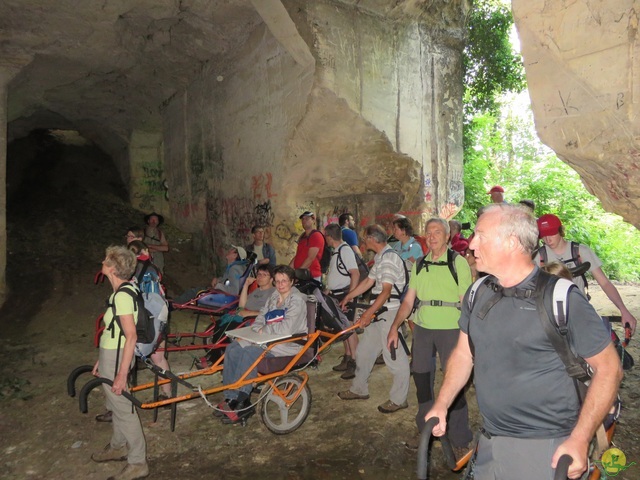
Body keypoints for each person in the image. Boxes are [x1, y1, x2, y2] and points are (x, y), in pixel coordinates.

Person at [425, 204, 622, 480]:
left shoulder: (560, 298)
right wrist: (442, 403)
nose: (471, 243)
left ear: (511, 242)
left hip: (547, 446)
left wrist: (580, 438)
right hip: (490, 440)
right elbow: (463, 354)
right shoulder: (477, 293)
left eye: (481, 235)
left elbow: (609, 369)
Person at [387, 218, 473, 453]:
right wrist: (395, 326)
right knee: (422, 382)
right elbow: (408, 300)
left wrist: (470, 334)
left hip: (451, 329)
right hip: (423, 329)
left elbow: (466, 301)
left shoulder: (458, 263)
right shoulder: (419, 264)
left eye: (437, 232)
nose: (432, 236)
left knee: (454, 383)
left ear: (447, 237)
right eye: (428, 232)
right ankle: (425, 432)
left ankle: (460, 438)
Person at [217, 265, 308, 423]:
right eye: (278, 281)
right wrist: (258, 327)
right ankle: (231, 397)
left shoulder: (297, 301)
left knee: (249, 353)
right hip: (267, 340)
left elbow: (287, 328)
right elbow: (262, 316)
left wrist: (264, 329)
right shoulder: (274, 296)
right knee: (233, 348)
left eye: (284, 281)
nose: (280, 285)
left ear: (292, 282)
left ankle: (242, 402)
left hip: (286, 345)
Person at [337, 225, 410, 414]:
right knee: (364, 352)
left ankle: (399, 399)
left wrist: (368, 313)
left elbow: (385, 292)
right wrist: (349, 296)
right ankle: (359, 389)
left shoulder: (389, 259)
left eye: (364, 238)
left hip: (389, 313)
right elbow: (369, 282)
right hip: (380, 312)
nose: (363, 241)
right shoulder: (380, 258)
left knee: (394, 357)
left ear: (372, 238)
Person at [90, 246, 149, 480]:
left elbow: (130, 336)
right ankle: (118, 445)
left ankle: (138, 462)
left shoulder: (123, 296)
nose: (102, 262)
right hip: (111, 354)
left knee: (124, 409)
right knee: (114, 404)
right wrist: (101, 359)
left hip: (118, 357)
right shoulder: (122, 291)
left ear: (113, 269)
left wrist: (121, 374)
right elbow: (113, 331)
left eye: (106, 260)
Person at [535, 213, 637, 336]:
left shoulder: (580, 251)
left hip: (580, 309)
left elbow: (604, 283)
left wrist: (623, 310)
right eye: (544, 235)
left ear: (560, 230)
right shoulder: (539, 257)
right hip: (551, 314)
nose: (548, 240)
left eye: (551, 233)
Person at [324, 223, 360, 380]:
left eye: (326, 236)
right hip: (337, 294)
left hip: (345, 294)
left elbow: (355, 274)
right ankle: (347, 356)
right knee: (343, 329)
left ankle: (356, 362)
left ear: (330, 237)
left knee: (350, 329)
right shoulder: (337, 251)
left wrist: (350, 296)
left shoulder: (345, 251)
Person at [172, 245, 249, 304]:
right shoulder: (235, 267)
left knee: (194, 291)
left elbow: (234, 291)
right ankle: (175, 302)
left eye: (231, 251)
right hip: (223, 294)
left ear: (235, 255)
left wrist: (218, 285)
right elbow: (227, 280)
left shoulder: (234, 269)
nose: (228, 251)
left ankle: (174, 304)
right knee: (198, 290)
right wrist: (218, 280)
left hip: (224, 298)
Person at [290, 211, 325, 283]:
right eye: (303, 219)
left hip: (311, 275)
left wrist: (298, 274)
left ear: (313, 220)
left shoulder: (316, 236)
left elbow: (310, 258)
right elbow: (298, 255)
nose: (304, 221)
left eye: (307, 218)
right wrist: (288, 271)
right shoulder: (303, 237)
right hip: (301, 275)